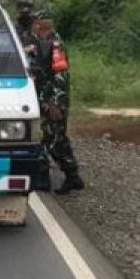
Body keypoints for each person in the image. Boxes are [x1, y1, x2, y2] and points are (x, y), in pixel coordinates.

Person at [32, 14, 84, 194]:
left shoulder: (56, 46)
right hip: (44, 99)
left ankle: (61, 176)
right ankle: (71, 176)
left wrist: (55, 102)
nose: (35, 27)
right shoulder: (41, 43)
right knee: (54, 139)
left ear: (42, 25)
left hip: (53, 102)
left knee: (50, 139)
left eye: (37, 24)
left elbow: (61, 75)